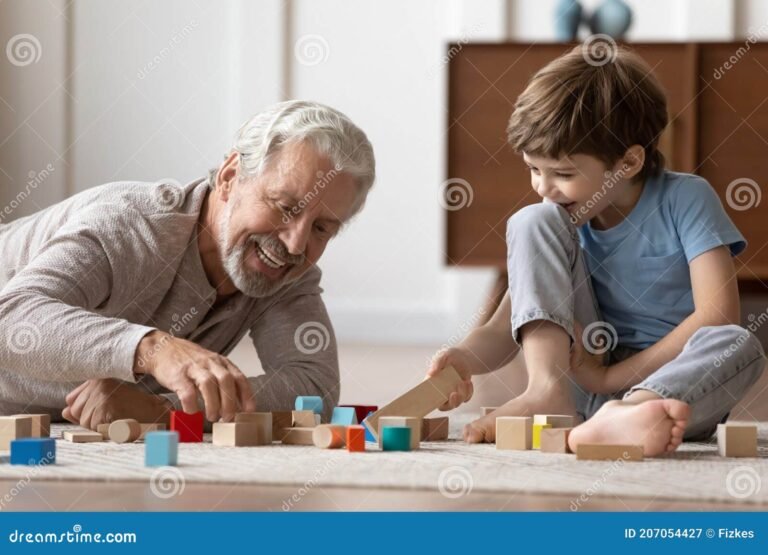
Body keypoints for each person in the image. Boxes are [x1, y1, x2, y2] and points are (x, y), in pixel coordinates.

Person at [428, 45, 765, 456]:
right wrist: (463, 358)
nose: (543, 187)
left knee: (736, 342)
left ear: (628, 163)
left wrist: (612, 381)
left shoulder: (687, 198)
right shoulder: (558, 222)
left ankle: (631, 416)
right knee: (533, 218)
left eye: (563, 174)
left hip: (670, 390)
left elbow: (717, 314)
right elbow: (506, 328)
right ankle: (547, 394)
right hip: (578, 388)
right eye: (534, 169)